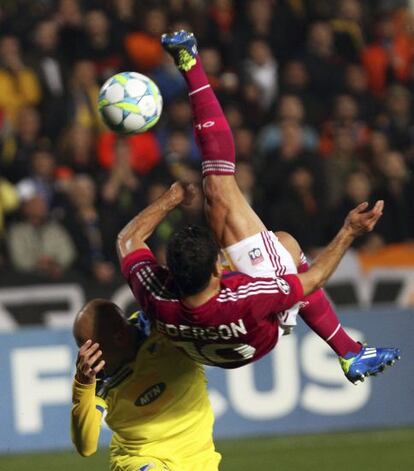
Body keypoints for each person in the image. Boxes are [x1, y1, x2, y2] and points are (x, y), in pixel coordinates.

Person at [117, 31, 400, 383]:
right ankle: (191, 63)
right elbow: (312, 281)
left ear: (168, 273)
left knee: (284, 244)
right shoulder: (246, 295)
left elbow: (127, 241)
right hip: (255, 331)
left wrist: (169, 199)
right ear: (219, 271)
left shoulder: (157, 296)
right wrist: (349, 232)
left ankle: (132, 344)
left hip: (195, 337)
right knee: (219, 191)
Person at [71, 299, 230, 471]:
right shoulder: (97, 379)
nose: (88, 359)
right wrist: (83, 384)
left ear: (120, 337)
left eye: (94, 350)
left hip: (199, 461)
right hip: (140, 457)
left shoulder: (166, 328)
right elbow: (86, 446)